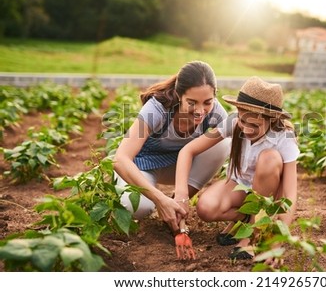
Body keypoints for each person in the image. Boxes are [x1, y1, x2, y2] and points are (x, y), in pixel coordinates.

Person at [174, 76, 299, 260]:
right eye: (242, 120)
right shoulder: (233, 122)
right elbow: (188, 150)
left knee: (269, 157)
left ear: (272, 120)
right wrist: (181, 194)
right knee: (206, 207)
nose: (247, 129)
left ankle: (254, 235)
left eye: (255, 125)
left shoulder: (284, 137)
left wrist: (277, 243)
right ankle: (245, 220)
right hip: (240, 187)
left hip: (268, 198)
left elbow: (289, 195)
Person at [113, 61, 230, 233]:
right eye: (192, 102)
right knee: (138, 208)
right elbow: (120, 159)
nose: (200, 110)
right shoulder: (157, 108)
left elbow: (241, 145)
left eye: (207, 102)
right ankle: (159, 201)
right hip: (143, 166)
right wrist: (160, 199)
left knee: (224, 142)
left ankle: (177, 207)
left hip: (179, 167)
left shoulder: (215, 111)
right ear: (178, 95)